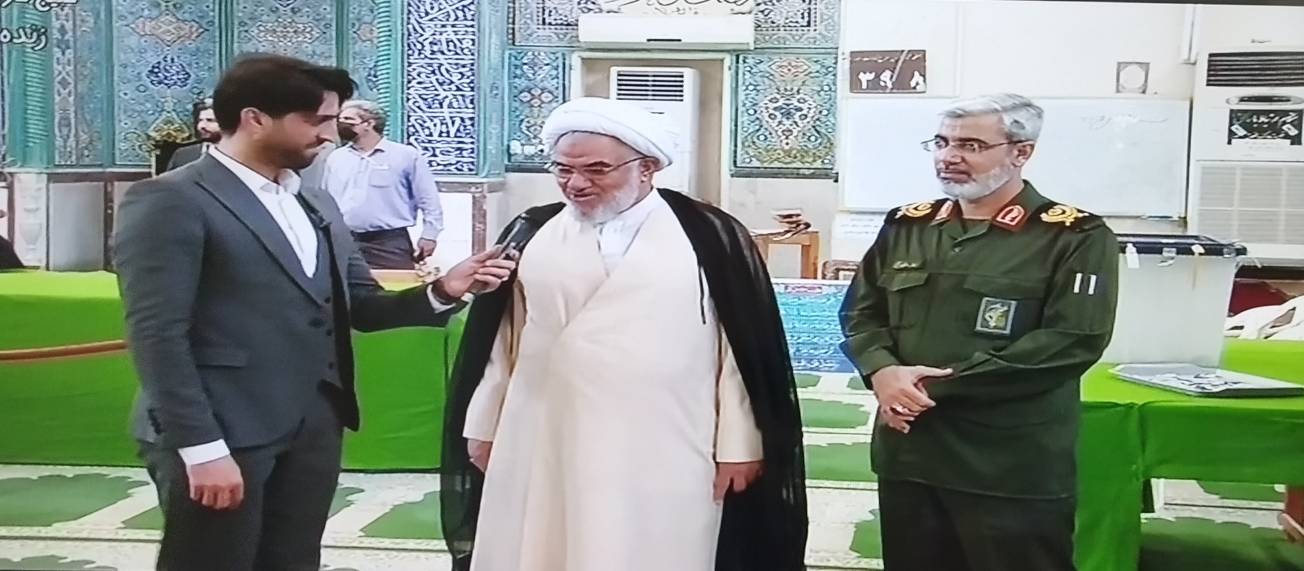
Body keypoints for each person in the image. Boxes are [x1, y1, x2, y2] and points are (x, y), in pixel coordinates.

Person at [112, 54, 515, 571]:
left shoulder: (315, 202)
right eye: (316, 120)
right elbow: (157, 335)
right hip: (223, 432)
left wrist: (444, 290)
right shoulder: (172, 200)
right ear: (255, 119)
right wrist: (201, 448)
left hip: (311, 428)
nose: (328, 135)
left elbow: (362, 306)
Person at [440, 97, 808, 571]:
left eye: (596, 169)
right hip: (542, 429)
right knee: (541, 546)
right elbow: (503, 340)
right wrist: (484, 426)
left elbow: (737, 352)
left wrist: (740, 445)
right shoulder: (533, 230)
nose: (576, 183)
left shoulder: (707, 235)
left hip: (667, 437)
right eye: (563, 170)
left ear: (647, 168)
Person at [839, 93, 1119, 571]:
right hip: (911, 452)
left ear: (1021, 152)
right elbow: (860, 313)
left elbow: (1072, 341)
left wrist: (925, 387)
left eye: (970, 145)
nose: (949, 157)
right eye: (942, 143)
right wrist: (882, 372)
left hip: (1007, 464)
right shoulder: (907, 226)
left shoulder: (1074, 236)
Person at [323, 99, 443, 269]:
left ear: (369, 124)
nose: (341, 124)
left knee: (395, 284)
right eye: (340, 119)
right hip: (344, 240)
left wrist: (430, 235)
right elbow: (325, 198)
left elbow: (428, 198)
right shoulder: (336, 157)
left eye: (348, 119)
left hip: (388, 242)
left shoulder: (405, 155)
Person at [165, 98, 221, 172]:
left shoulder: (234, 154)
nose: (201, 126)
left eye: (210, 120)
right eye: (200, 120)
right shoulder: (182, 155)